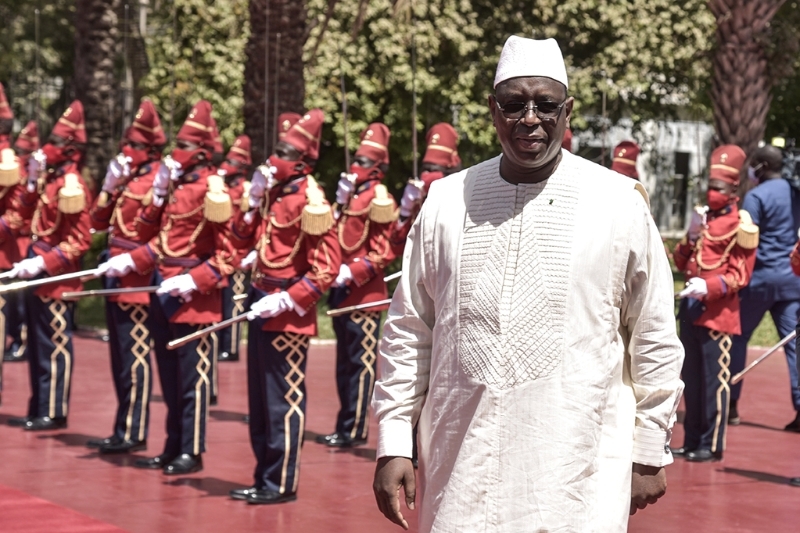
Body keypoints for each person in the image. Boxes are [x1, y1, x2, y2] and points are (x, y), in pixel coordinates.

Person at [372, 36, 684, 532]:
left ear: (568, 111)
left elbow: (654, 332)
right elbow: (410, 329)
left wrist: (650, 446)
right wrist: (393, 440)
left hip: (574, 473)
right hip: (461, 471)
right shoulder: (446, 202)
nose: (530, 118)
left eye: (546, 105)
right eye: (514, 104)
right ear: (493, 110)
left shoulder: (618, 203)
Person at [104, 100, 236, 474]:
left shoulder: (214, 190)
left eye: (185, 145)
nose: (177, 152)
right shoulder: (174, 185)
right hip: (164, 289)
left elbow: (228, 256)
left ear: (203, 153)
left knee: (193, 379)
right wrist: (159, 194)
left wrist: (193, 280)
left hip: (195, 297)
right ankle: (171, 444)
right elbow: (148, 234)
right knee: (168, 375)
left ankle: (190, 452)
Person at [227, 109, 341, 504]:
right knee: (259, 401)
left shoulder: (311, 200)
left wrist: (288, 299)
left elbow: (326, 267)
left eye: (282, 151)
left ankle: (280, 482)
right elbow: (242, 241)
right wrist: (252, 200)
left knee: (283, 400)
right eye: (275, 149)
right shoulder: (274, 195)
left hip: (287, 312)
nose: (272, 158)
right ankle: (263, 476)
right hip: (261, 301)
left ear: (302, 162)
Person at [2, 101, 93, 431]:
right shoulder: (48, 181)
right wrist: (30, 183)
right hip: (36, 273)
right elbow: (25, 215)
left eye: (55, 142)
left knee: (54, 346)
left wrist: (44, 261)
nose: (47, 148)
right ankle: (38, 406)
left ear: (69, 150)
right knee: (39, 347)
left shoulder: (72, 186)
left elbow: (80, 241)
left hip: (57, 279)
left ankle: (53, 410)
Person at [86, 99, 166, 453]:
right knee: (119, 357)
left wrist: (131, 262)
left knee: (134, 357)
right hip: (114, 275)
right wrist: (108, 186)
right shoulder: (127, 177)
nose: (126, 149)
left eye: (134, 144)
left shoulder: (156, 180)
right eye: (126, 142)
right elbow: (97, 223)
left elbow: (158, 234)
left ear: (150, 149)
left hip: (136, 278)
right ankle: (122, 427)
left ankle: (134, 430)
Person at [672, 145, 758, 462]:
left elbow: (740, 276)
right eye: (710, 186)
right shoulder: (703, 220)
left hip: (718, 317)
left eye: (718, 188)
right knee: (691, 383)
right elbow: (682, 261)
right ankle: (693, 439)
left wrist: (706, 286)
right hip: (691, 314)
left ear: (733, 189)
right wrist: (691, 235)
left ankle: (711, 444)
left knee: (714, 386)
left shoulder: (741, 225)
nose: (712, 192)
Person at [319, 123, 398, 449]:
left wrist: (351, 272)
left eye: (364, 162)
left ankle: (354, 429)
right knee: (343, 364)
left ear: (377, 168)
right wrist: (338, 205)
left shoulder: (380, 199)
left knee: (361, 366)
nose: (356, 167)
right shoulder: (350, 198)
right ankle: (344, 423)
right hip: (341, 293)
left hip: (364, 295)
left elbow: (383, 252)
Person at [729, 145, 800, 429]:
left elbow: (747, 240)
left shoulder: (755, 196)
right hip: (792, 281)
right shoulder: (795, 193)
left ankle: (730, 405)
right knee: (794, 346)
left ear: (759, 165)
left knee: (738, 338)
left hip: (759, 281)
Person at [389, 122, 462, 258]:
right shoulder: (418, 202)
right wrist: (405, 211)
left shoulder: (461, 200)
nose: (427, 175)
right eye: (426, 169)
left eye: (434, 170)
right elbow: (396, 247)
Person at [4, 121, 39, 364]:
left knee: (19, 305)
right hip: (13, 243)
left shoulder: (28, 176)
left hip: (22, 243)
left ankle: (21, 341)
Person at [216, 134, 252, 364]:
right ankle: (221, 343)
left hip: (239, 256)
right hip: (222, 254)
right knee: (221, 303)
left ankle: (231, 347)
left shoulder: (247, 191)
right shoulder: (223, 188)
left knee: (235, 305)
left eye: (233, 163)